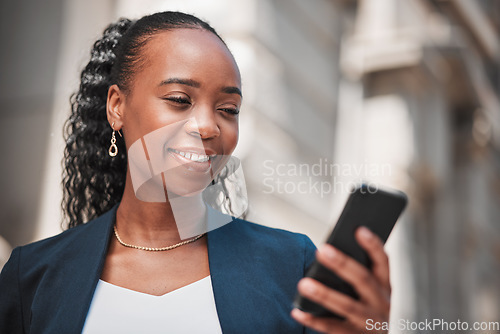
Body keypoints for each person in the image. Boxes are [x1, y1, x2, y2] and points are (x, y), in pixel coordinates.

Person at [0, 11, 391, 333]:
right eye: (179, 100)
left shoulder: (291, 265)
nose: (207, 126)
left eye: (228, 109)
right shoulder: (32, 275)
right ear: (117, 106)